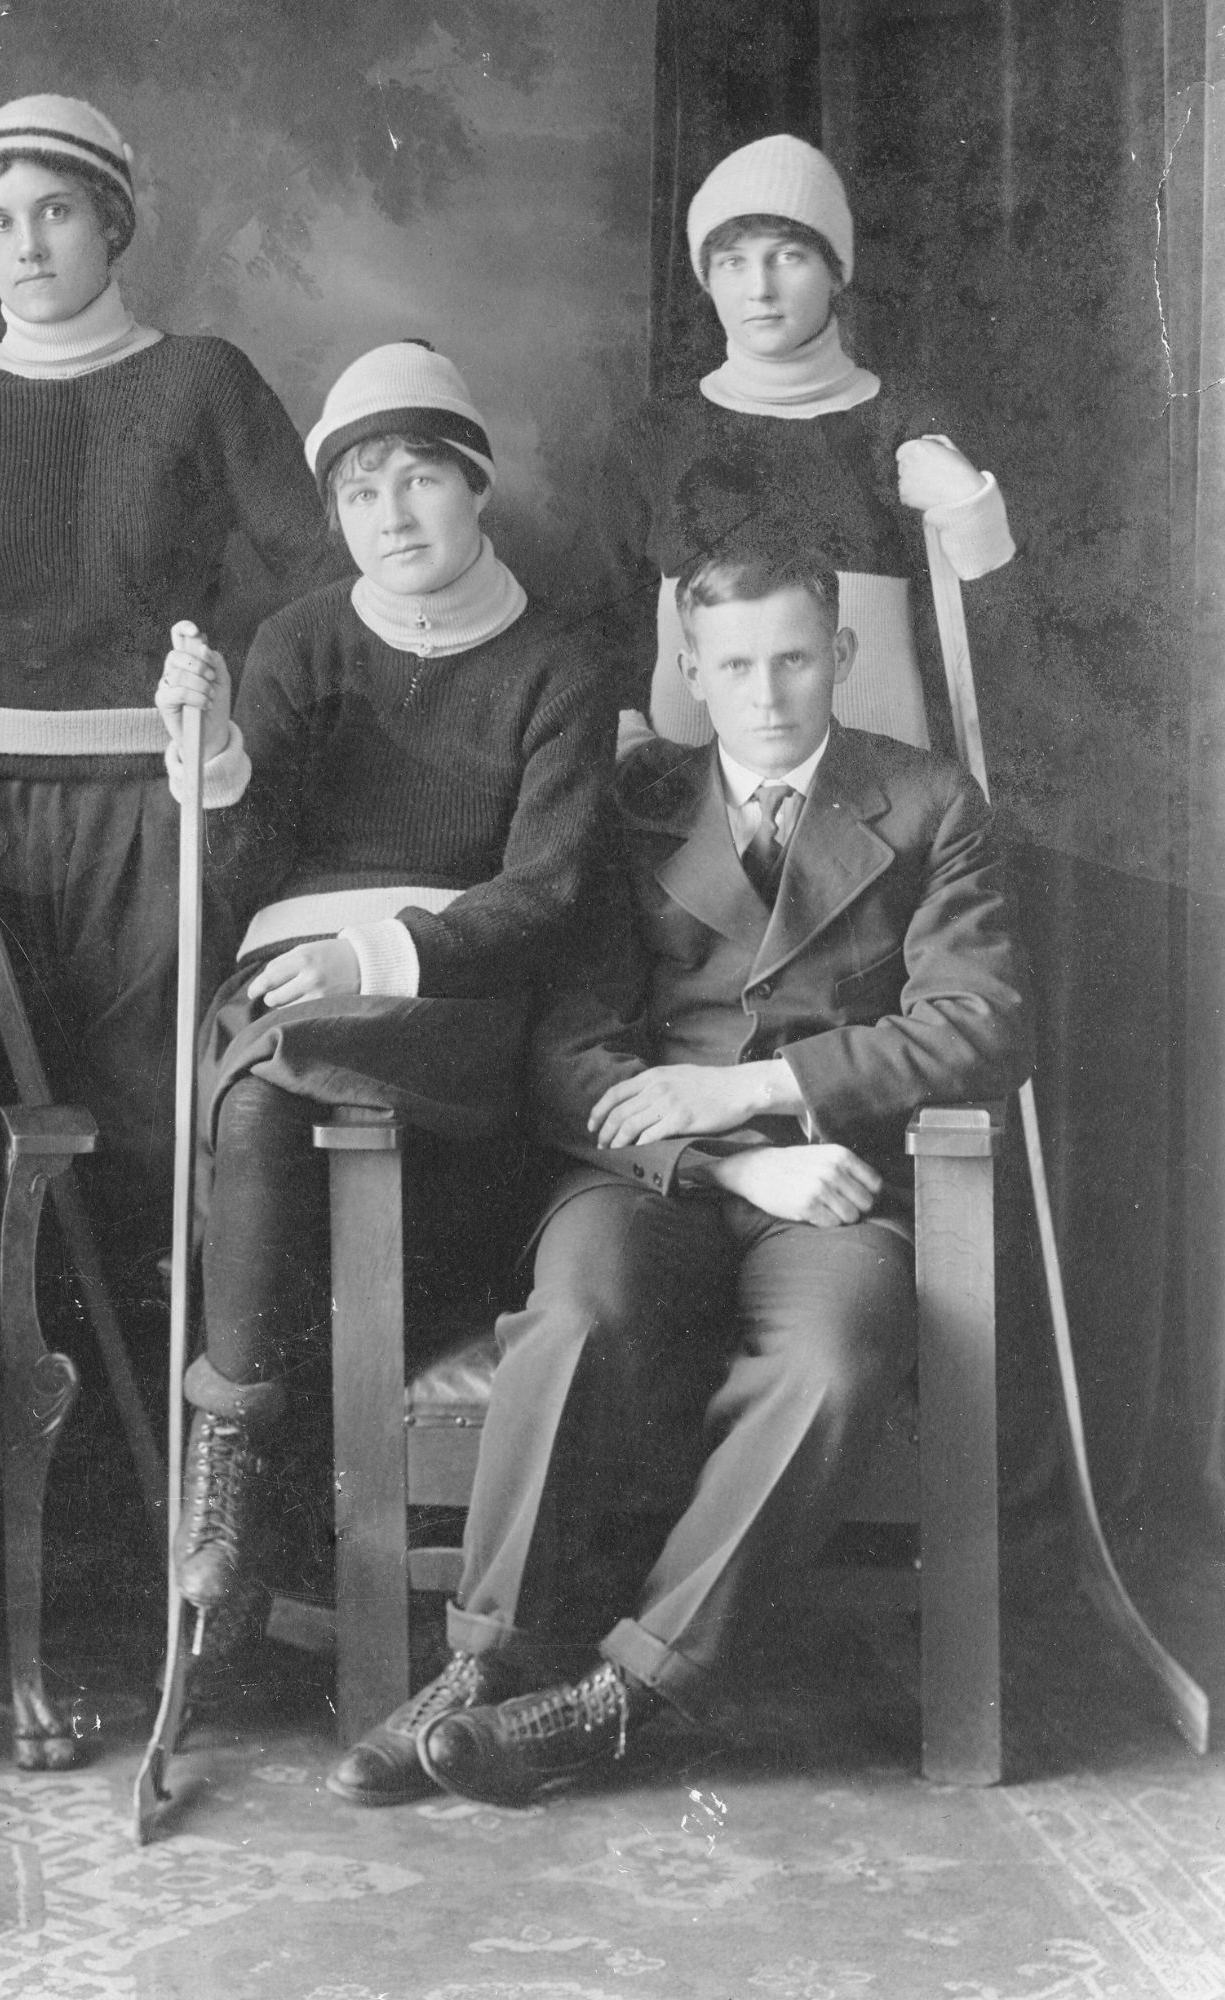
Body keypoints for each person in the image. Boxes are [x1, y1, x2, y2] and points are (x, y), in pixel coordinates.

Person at [328, 535, 1029, 1809]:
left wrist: (765, 1089)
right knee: (578, 1308)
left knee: (832, 1357)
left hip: (837, 1184)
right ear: (691, 673)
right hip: (648, 1172)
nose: (769, 695)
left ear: (843, 656)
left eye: (797, 660)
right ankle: (480, 1669)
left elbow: (977, 1021)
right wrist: (720, 1155)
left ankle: (630, 1689)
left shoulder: (931, 803)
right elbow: (569, 1044)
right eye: (737, 666)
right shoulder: (633, 797)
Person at [156, 342, 616, 1641]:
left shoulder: (557, 668)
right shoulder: (299, 643)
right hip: (295, 989)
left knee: (261, 1081)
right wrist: (218, 766)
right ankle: (240, 1488)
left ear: (476, 488)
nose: (393, 514)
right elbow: (238, 884)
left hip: (460, 1011)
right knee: (252, 1091)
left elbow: (552, 889)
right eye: (361, 492)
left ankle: (234, 1485)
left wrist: (380, 955)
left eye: (421, 479)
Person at [0, 92, 335, 1285]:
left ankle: (155, 1432)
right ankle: (11, 1404)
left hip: (153, 813)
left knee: (148, 1114)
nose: (26, 242)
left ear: (110, 223)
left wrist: (220, 724)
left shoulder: (201, 382)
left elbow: (323, 592)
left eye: (54, 209)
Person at [604, 135, 1016, 754]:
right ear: (706, 278)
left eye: (789, 255)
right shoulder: (656, 434)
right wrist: (630, 744)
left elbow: (999, 655)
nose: (760, 288)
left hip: (879, 808)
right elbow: (609, 624)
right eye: (733, 261)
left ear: (835, 271)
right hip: (689, 805)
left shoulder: (905, 426)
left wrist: (973, 512)